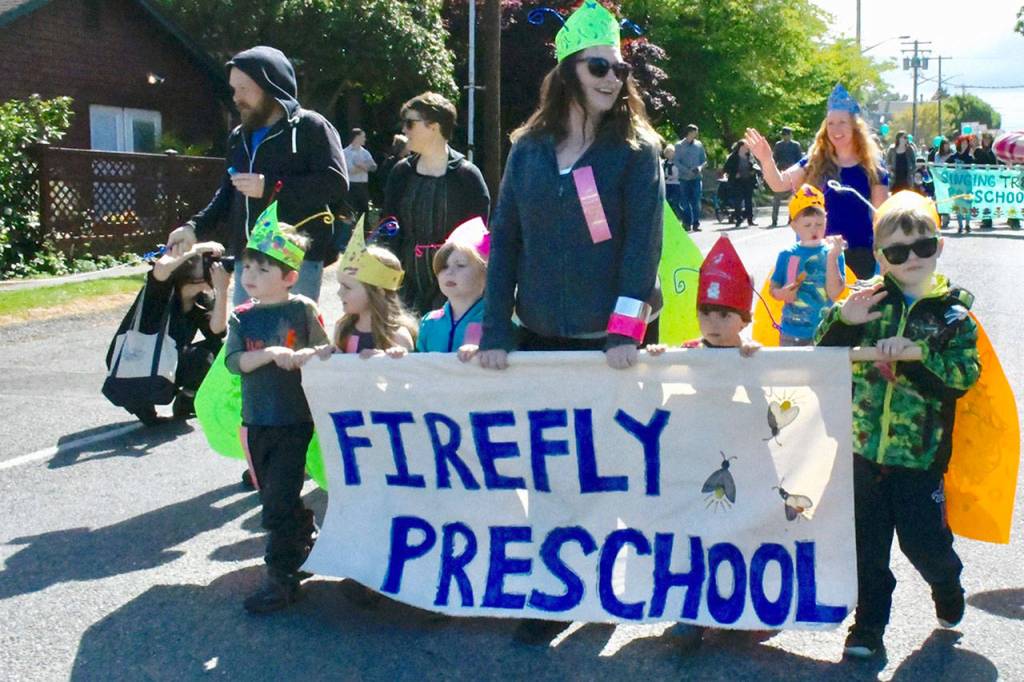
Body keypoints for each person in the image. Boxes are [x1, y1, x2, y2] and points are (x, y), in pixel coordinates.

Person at [469, 0, 663, 643]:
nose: (614, 78)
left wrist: (625, 332)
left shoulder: (638, 152)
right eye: (599, 66)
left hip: (610, 346)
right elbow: (505, 244)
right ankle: (555, 590)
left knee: (606, 475)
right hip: (541, 339)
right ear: (569, 72)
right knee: (549, 475)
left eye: (619, 68)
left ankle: (604, 585)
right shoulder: (527, 152)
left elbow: (643, 251)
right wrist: (497, 331)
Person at [815, 191, 980, 659]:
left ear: (939, 247)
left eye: (922, 247)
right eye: (897, 251)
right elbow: (822, 354)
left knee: (923, 542)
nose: (911, 258)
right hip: (864, 451)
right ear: (881, 255)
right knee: (867, 548)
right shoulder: (866, 299)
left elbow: (963, 377)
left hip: (920, 457)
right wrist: (843, 319)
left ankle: (946, 582)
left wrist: (914, 357)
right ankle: (868, 627)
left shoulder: (953, 315)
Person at [165, 45, 348, 305]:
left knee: (292, 340)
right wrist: (193, 228)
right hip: (248, 260)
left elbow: (335, 184)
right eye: (234, 89)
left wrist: (271, 186)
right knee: (248, 340)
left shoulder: (311, 127)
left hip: (295, 259)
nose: (237, 98)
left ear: (270, 85)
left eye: (244, 89)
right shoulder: (239, 136)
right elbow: (226, 193)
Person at [223, 207, 331, 614]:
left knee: (276, 502)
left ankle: (281, 578)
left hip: (294, 420)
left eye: (263, 269)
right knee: (272, 493)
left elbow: (323, 352)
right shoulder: (242, 317)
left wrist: (301, 354)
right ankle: (303, 535)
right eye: (247, 266)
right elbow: (236, 362)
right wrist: (269, 353)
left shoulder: (301, 309)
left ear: (289, 276)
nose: (249, 275)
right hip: (256, 422)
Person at [746, 84, 890, 279]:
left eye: (842, 123)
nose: (835, 129)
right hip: (818, 256)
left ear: (855, 127)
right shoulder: (815, 160)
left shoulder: (873, 166)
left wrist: (883, 260)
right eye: (830, 123)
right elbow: (779, 183)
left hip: (860, 256)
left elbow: (880, 218)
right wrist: (766, 160)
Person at [383, 92, 490, 315]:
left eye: (410, 123)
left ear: (434, 126)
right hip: (405, 282)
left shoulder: (467, 176)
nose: (404, 130)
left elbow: (479, 238)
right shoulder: (401, 172)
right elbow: (388, 227)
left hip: (455, 286)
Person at [106, 241, 230, 425]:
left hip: (166, 362)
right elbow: (161, 267)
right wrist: (196, 249)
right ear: (185, 270)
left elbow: (218, 332)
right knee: (203, 357)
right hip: (135, 364)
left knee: (219, 350)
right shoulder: (161, 291)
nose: (212, 268)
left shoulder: (201, 299)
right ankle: (141, 404)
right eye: (205, 264)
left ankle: (187, 400)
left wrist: (222, 291)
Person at [768, 185, 845, 346]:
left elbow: (835, 293)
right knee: (792, 371)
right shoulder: (787, 255)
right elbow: (773, 289)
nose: (814, 230)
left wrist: (832, 258)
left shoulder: (833, 252)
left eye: (819, 224)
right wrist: (782, 293)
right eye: (807, 225)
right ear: (794, 226)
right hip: (792, 331)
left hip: (825, 329)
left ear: (826, 221)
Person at [328, 222, 417, 356]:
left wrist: (388, 359)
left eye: (347, 287)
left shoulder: (397, 337)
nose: (340, 293)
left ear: (378, 292)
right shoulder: (344, 330)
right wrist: (330, 355)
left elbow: (404, 375)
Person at [416, 218, 488, 354]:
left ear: (484, 274)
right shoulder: (429, 322)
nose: (449, 272)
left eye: (460, 265)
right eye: (444, 267)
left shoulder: (494, 322)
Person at [674, 124, 707, 231]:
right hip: (684, 178)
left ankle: (696, 223)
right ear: (689, 132)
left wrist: (700, 168)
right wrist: (686, 171)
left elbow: (704, 160)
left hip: (696, 178)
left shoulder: (699, 145)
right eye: (694, 132)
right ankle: (686, 222)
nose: (696, 134)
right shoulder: (679, 145)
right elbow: (676, 161)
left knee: (696, 201)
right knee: (685, 202)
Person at [343, 128, 377, 224]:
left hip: (363, 185)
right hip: (351, 185)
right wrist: (364, 166)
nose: (365, 139)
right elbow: (349, 170)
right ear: (357, 137)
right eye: (363, 137)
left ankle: (364, 231)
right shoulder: (345, 153)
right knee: (351, 210)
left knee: (364, 210)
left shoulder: (365, 152)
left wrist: (360, 165)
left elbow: (374, 167)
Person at [771, 127, 804, 227]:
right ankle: (774, 220)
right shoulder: (778, 145)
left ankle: (791, 218)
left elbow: (800, 160)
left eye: (786, 134)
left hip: (793, 173)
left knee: (794, 197)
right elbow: (774, 159)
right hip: (781, 172)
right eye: (783, 135)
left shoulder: (795, 145)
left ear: (790, 135)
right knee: (777, 197)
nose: (785, 136)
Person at [723, 140, 759, 227]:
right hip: (737, 182)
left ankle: (750, 220)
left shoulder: (750, 156)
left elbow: (756, 166)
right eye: (746, 146)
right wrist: (734, 174)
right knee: (738, 201)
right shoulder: (733, 157)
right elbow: (726, 168)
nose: (748, 148)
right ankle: (738, 219)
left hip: (748, 181)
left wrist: (754, 171)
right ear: (741, 147)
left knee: (748, 201)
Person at [947, 135, 974, 234]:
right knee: (958, 205)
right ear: (958, 144)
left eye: (966, 143)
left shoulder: (970, 157)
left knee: (967, 205)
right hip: (956, 185)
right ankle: (960, 226)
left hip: (967, 185)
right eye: (962, 143)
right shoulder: (953, 156)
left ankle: (967, 224)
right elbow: (945, 167)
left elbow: (974, 171)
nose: (964, 145)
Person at [973, 133, 997, 229]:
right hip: (980, 180)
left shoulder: (993, 152)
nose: (986, 141)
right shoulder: (978, 151)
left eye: (989, 139)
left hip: (989, 180)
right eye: (985, 139)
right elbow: (974, 162)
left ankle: (988, 221)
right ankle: (984, 219)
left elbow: (995, 165)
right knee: (982, 200)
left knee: (988, 200)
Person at [662, 144, 685, 224]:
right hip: (667, 184)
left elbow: (681, 173)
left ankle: (685, 220)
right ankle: (668, 221)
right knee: (666, 203)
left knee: (676, 204)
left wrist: (672, 177)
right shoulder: (663, 163)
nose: (669, 154)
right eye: (667, 153)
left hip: (676, 184)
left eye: (671, 152)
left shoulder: (678, 162)